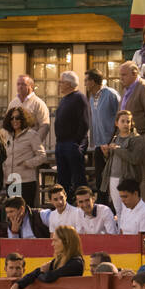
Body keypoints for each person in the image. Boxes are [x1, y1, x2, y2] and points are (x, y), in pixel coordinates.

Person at [116, 61, 145, 198]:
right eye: (120, 75)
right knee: (132, 180)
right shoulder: (126, 91)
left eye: (124, 75)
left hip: (143, 140)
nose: (121, 78)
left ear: (134, 74)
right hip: (129, 141)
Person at [9, 224, 84, 289]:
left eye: (55, 241)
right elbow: (36, 272)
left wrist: (42, 272)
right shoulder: (58, 260)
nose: (52, 244)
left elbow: (49, 277)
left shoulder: (76, 263)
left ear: (66, 242)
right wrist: (18, 284)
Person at [101, 109, 145, 217]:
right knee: (118, 209)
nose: (126, 124)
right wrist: (106, 153)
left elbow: (135, 158)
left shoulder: (136, 139)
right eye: (123, 121)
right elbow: (110, 159)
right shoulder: (115, 138)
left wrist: (117, 150)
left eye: (128, 121)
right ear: (117, 123)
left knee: (129, 209)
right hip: (112, 178)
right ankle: (122, 232)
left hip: (127, 178)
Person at [84, 68, 119, 203]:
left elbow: (121, 117)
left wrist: (113, 141)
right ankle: (103, 208)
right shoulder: (92, 97)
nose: (85, 83)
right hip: (99, 145)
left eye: (86, 80)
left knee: (114, 180)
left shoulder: (111, 94)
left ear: (93, 81)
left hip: (112, 145)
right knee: (100, 180)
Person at [1, 106, 46, 212]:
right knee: (13, 212)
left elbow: (42, 156)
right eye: (12, 118)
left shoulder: (31, 135)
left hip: (25, 181)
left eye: (17, 118)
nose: (14, 120)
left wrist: (27, 163)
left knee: (25, 212)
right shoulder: (8, 136)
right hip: (11, 181)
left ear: (23, 119)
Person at [53, 70, 89, 201]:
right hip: (61, 144)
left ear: (68, 84)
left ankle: (84, 208)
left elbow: (84, 123)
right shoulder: (64, 100)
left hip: (71, 145)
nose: (59, 85)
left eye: (61, 82)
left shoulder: (79, 98)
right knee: (63, 181)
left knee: (79, 180)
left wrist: (76, 144)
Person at [6, 75, 50, 143]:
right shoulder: (13, 103)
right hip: (15, 145)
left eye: (23, 84)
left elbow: (44, 126)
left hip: (30, 146)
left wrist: (35, 143)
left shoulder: (38, 103)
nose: (20, 87)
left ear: (31, 86)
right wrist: (10, 141)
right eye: (18, 84)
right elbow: (7, 123)